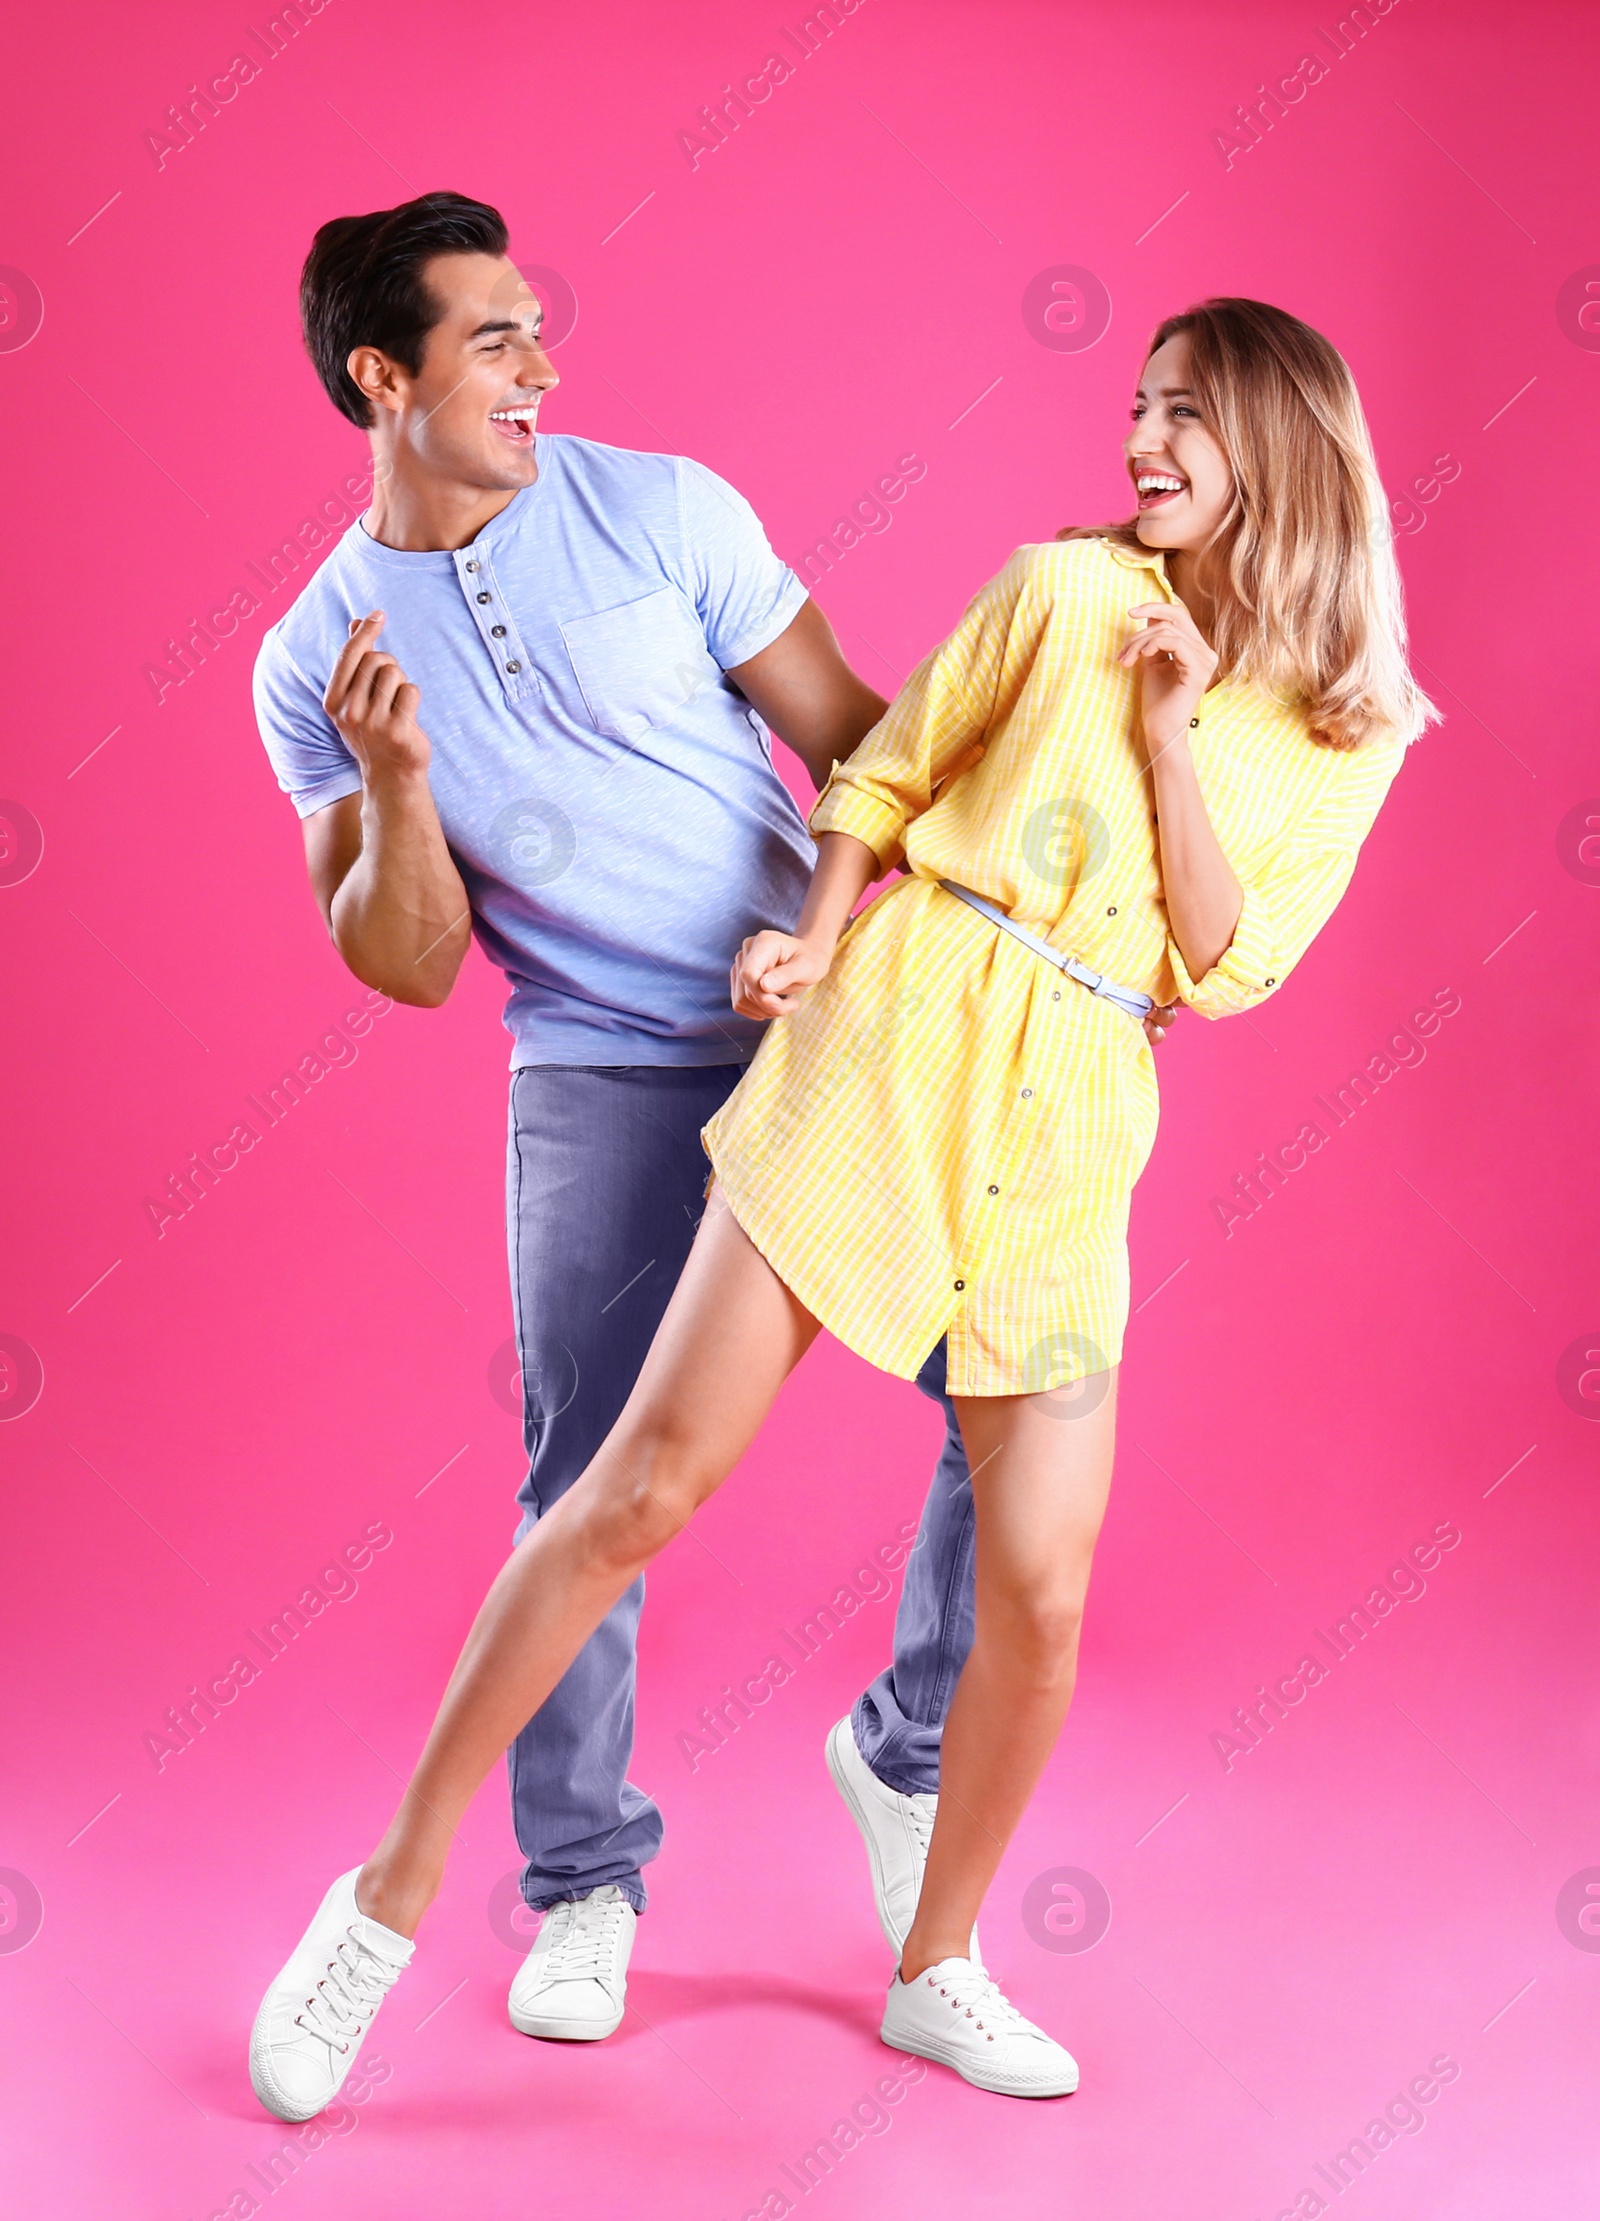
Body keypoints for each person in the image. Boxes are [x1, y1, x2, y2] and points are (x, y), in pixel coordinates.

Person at [253, 281, 1425, 2106]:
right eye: (1137, 406)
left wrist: (1179, 731)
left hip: (1077, 1101)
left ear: (1280, 440)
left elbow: (1228, 961)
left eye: (1182, 415)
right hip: (884, 1036)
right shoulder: (1061, 589)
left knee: (1042, 1582)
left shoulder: (1354, 726)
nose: (1138, 442)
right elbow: (885, 762)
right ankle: (385, 1908)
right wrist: (815, 940)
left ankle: (936, 1952)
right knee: (629, 1479)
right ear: (383, 380)